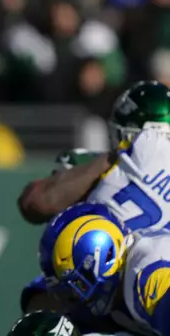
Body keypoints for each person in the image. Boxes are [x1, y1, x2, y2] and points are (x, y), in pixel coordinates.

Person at [18, 81, 170, 315]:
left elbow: (35, 202)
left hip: (124, 292)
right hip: (135, 291)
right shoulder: (131, 156)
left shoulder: (128, 154)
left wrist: (112, 160)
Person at [37, 201, 170, 336]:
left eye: (79, 286)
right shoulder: (122, 283)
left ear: (103, 258)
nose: (74, 299)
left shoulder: (148, 277)